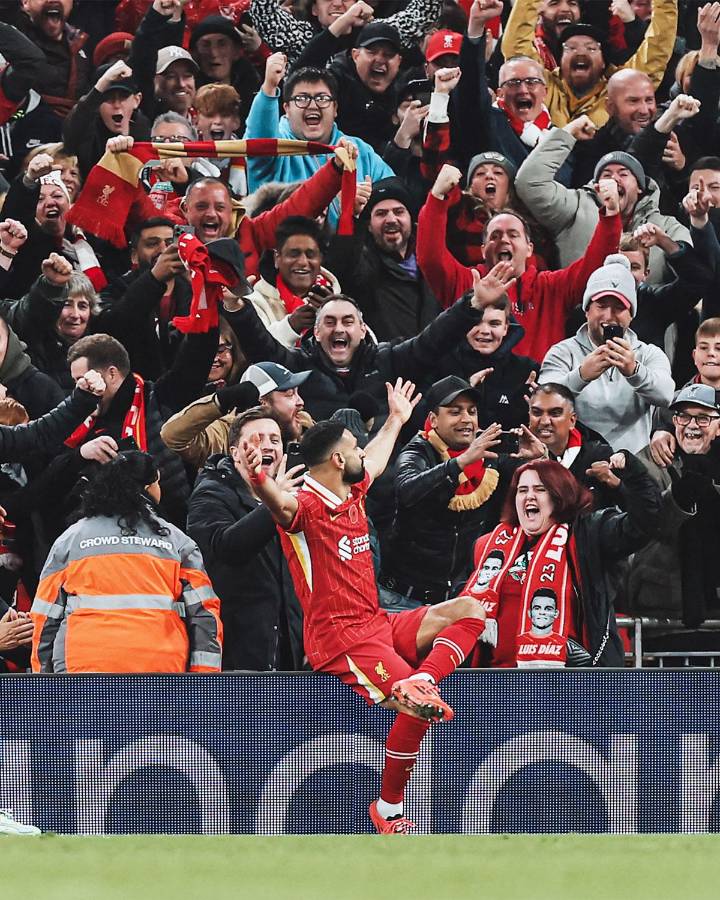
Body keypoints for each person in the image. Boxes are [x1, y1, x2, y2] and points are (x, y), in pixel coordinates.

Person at [237, 379, 488, 834]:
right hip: (341, 638)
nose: (360, 453)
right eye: (352, 447)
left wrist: (396, 419)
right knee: (415, 709)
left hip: (377, 622)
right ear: (337, 460)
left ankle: (424, 680)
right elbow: (278, 503)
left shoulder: (351, 487)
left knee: (470, 609)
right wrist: (259, 482)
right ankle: (389, 810)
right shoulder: (306, 508)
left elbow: (374, 457)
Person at [30, 450, 222, 673]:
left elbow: (45, 617)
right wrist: (204, 682)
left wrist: (42, 681)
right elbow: (204, 615)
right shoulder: (178, 543)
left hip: (82, 671)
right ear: (150, 487)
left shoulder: (71, 540)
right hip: (161, 673)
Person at [463, 454, 661, 668]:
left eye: (540, 490)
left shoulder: (590, 534)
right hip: (495, 681)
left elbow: (646, 522)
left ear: (560, 495)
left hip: (574, 683)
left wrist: (634, 470)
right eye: (522, 490)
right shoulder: (488, 545)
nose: (529, 497)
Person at [417, 162, 622, 361]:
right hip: (473, 390)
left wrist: (611, 214)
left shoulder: (551, 288)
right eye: (495, 236)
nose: (504, 240)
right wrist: (437, 198)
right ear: (482, 250)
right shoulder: (467, 281)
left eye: (513, 235)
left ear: (529, 249)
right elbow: (430, 257)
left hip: (539, 392)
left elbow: (594, 267)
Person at [187, 407, 304, 671]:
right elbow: (226, 550)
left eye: (274, 440)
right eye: (256, 439)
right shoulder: (211, 493)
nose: (267, 446)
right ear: (234, 452)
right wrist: (274, 503)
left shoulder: (296, 497)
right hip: (236, 649)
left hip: (289, 649)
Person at [379, 375, 506, 611]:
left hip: (459, 597)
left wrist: (539, 459)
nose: (466, 419)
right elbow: (408, 491)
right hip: (402, 600)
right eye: (455, 412)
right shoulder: (417, 451)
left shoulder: (487, 456)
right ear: (433, 420)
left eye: (472, 411)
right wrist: (459, 463)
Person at [514, 123, 691, 283]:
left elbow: (694, 267)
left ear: (639, 187)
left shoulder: (665, 226)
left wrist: (663, 241)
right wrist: (568, 134)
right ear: (597, 186)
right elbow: (529, 182)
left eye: (623, 174)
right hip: (581, 313)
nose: (614, 178)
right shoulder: (575, 206)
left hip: (647, 311)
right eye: (606, 174)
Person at [540, 253, 674, 453]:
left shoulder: (648, 354)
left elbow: (666, 395)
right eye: (601, 306)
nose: (609, 316)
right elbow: (543, 400)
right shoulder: (562, 352)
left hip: (632, 468)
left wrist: (634, 371)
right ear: (586, 310)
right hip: (575, 466)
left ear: (631, 315)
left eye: (619, 307)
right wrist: (581, 375)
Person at [243, 56, 393, 225]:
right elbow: (259, 140)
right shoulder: (277, 148)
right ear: (287, 109)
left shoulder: (359, 150)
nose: (313, 105)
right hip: (282, 247)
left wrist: (368, 204)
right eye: (301, 98)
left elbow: (393, 194)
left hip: (348, 247)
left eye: (322, 98)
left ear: (335, 108)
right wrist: (269, 88)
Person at [501, 0, 677, 127]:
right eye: (570, 47)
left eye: (591, 48)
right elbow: (517, 50)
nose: (581, 52)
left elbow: (657, 49)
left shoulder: (618, 89)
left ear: (603, 63)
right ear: (560, 61)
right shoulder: (543, 86)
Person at [632, 383, 720, 627]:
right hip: (662, 607)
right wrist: (679, 498)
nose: (691, 425)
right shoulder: (648, 462)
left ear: (719, 426)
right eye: (683, 417)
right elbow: (646, 524)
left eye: (702, 418)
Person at [326, 177, 441, 342]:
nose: (391, 219)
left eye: (399, 211)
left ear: (411, 219)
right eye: (381, 214)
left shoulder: (432, 260)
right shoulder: (362, 265)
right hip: (386, 364)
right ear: (369, 226)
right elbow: (339, 268)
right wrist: (350, 216)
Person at [248, 216, 341, 348]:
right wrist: (291, 326)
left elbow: (365, 344)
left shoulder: (338, 300)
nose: (303, 262)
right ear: (277, 258)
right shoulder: (254, 303)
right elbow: (253, 350)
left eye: (310, 255)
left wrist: (334, 312)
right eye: (294, 254)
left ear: (320, 259)